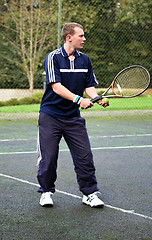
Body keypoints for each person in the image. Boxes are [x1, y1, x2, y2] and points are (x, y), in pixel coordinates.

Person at [37, 22, 108, 208]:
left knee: (84, 156)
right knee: (49, 157)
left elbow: (89, 86)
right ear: (69, 37)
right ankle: (46, 192)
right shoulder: (52, 58)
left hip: (73, 118)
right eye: (81, 36)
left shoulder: (85, 60)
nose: (84, 39)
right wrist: (79, 100)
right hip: (50, 116)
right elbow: (56, 87)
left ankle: (90, 193)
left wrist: (96, 98)